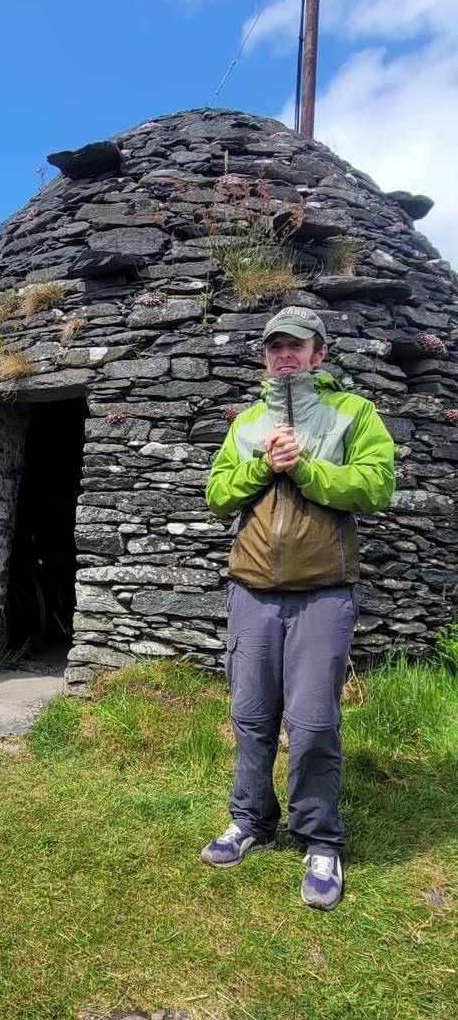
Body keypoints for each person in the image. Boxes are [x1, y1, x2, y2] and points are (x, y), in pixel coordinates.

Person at [201, 306, 395, 909]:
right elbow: (215, 494)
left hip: (323, 593)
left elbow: (376, 486)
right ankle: (250, 821)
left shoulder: (353, 414)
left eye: (297, 344)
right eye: (274, 346)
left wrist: (306, 469)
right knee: (252, 717)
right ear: (266, 355)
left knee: (313, 723)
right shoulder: (248, 422)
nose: (284, 354)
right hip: (252, 589)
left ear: (320, 353)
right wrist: (263, 465)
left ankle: (320, 840)